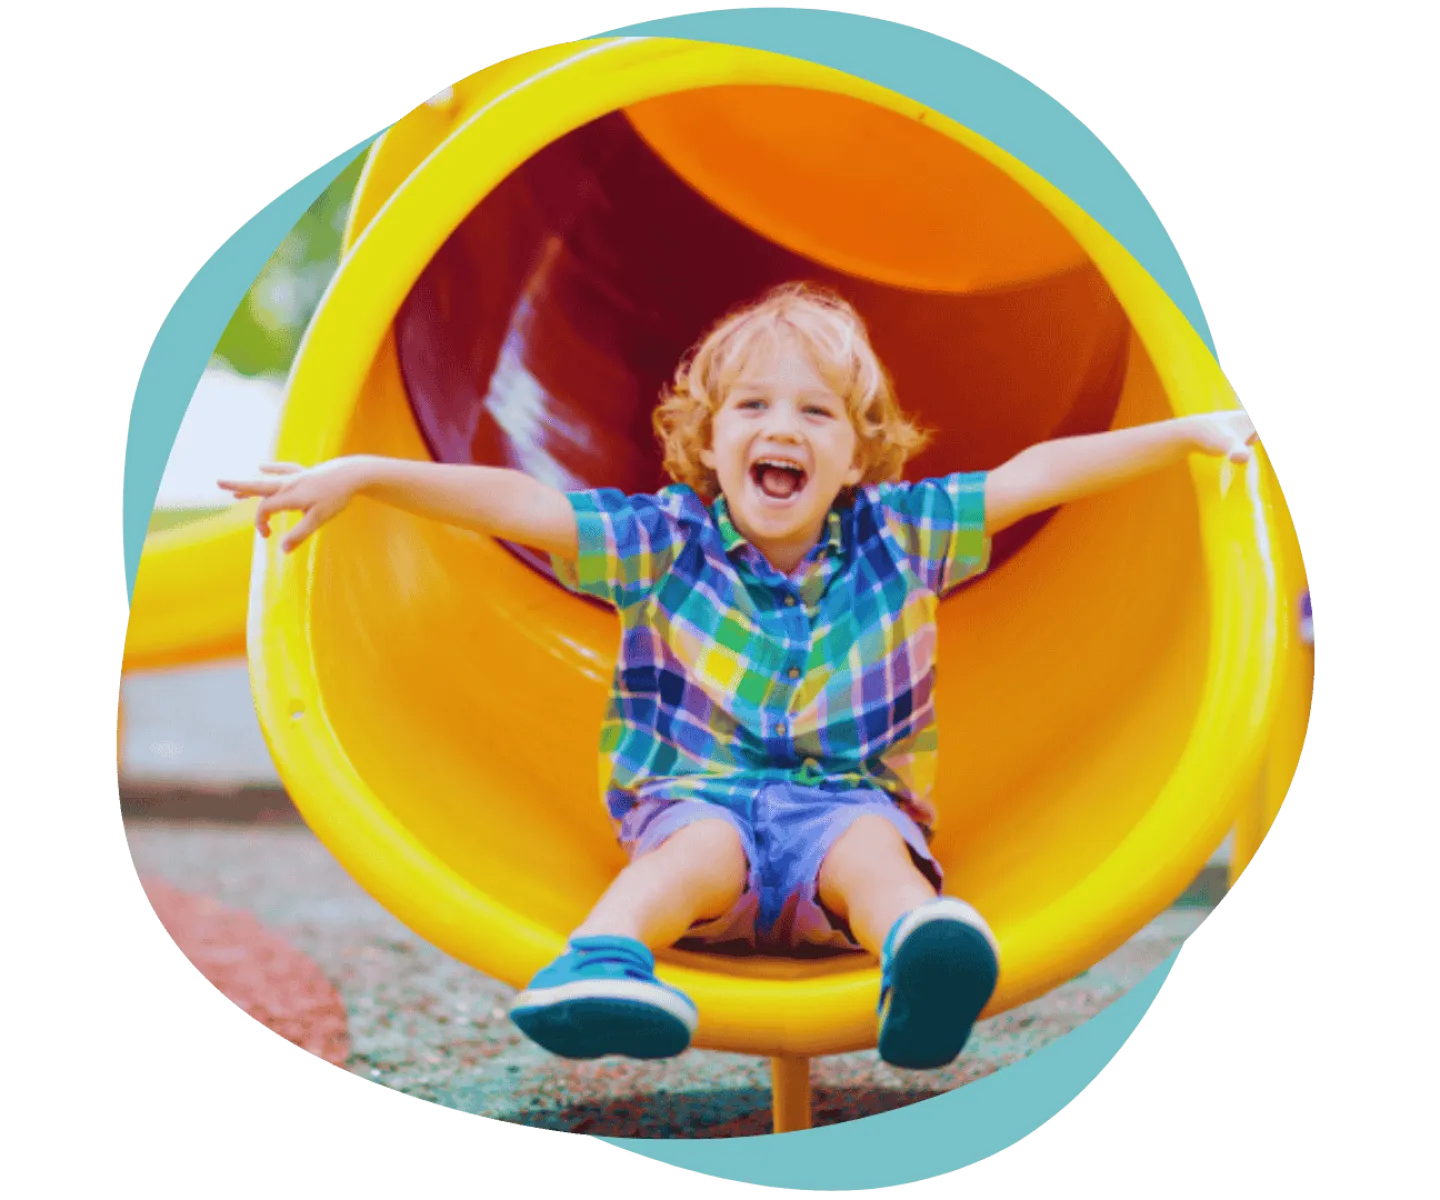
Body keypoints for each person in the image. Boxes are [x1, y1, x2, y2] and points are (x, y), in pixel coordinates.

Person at [218, 282, 1257, 1071]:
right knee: (698, 849)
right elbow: (516, 503)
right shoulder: (663, 540)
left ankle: (922, 959)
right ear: (706, 445)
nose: (783, 428)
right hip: (695, 801)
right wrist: (366, 476)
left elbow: (1034, 477)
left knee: (873, 853)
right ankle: (603, 964)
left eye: (817, 414)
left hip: (846, 806)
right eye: (753, 405)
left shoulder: (902, 532)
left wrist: (1189, 435)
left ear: (859, 456)